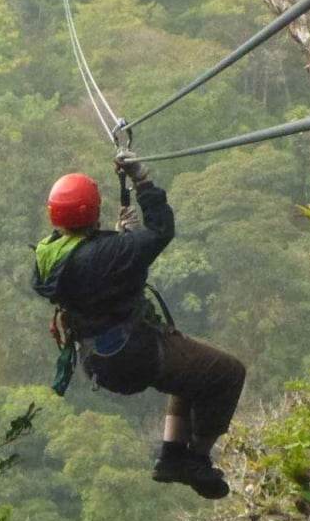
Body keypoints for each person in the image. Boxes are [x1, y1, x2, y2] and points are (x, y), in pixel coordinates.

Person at [31, 152, 246, 499]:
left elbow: (92, 271)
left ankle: (172, 456)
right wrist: (142, 180)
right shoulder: (109, 252)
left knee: (191, 372)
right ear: (93, 211)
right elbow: (162, 230)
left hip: (99, 358)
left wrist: (118, 240)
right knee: (227, 372)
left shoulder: (48, 255)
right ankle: (197, 459)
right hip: (134, 351)